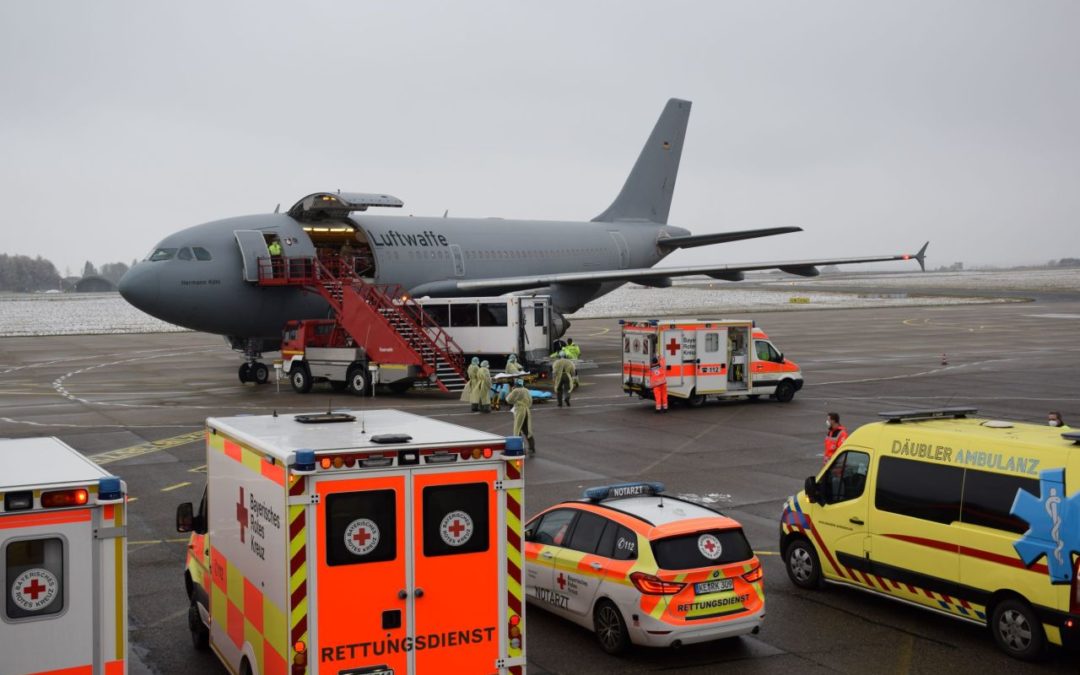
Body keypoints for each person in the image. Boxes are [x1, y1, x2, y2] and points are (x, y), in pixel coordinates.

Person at [506, 378, 536, 455]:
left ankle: (519, 448)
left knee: (517, 429)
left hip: (519, 410)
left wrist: (512, 391)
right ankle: (532, 447)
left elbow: (509, 399)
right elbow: (530, 401)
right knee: (527, 430)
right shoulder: (526, 390)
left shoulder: (516, 391)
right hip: (526, 410)